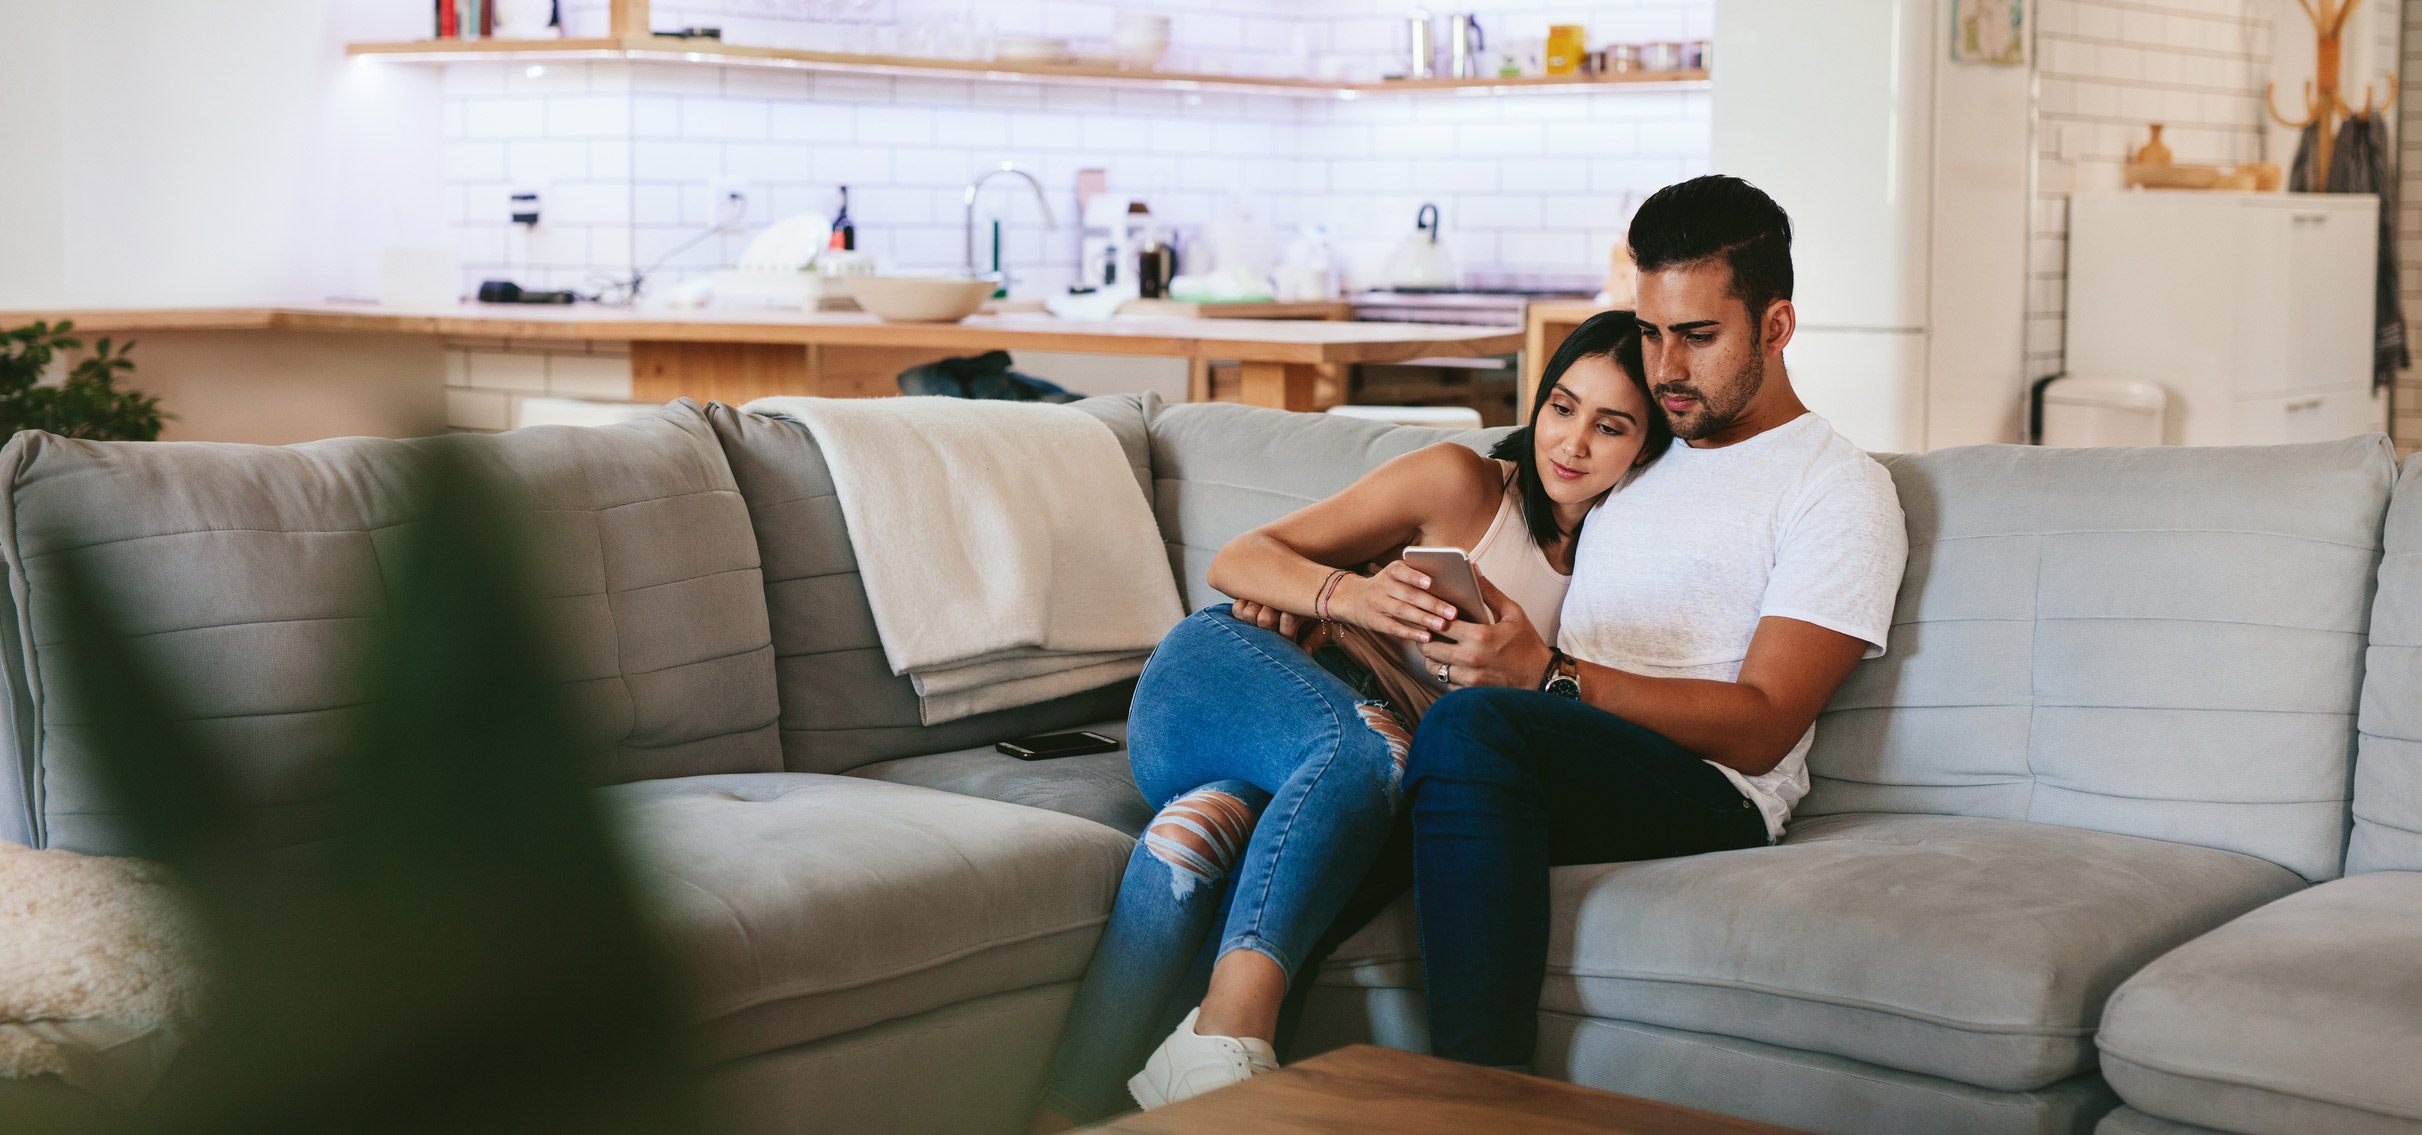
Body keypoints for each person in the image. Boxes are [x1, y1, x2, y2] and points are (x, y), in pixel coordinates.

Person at [1029, 311, 1668, 1130]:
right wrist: (1353, 595)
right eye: (1561, 407)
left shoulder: (1618, 567)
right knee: (1372, 746)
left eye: (1610, 426)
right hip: (1223, 679)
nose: (1572, 443)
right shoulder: (1463, 484)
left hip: (1330, 767)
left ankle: (1060, 1115)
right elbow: (1240, 559)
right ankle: (1229, 1034)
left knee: (1200, 831)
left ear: (1646, 448)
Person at [1400, 174, 1910, 1070]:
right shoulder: (1636, 449)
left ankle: (1478, 1101)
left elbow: (1762, 725)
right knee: (1329, 766)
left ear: (1776, 327)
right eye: (1650, 331)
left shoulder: (1837, 488)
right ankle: (1212, 1051)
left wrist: (1550, 675)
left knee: (1474, 731)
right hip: (1555, 746)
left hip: (1709, 789)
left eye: (1698, 336)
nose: (1666, 367)